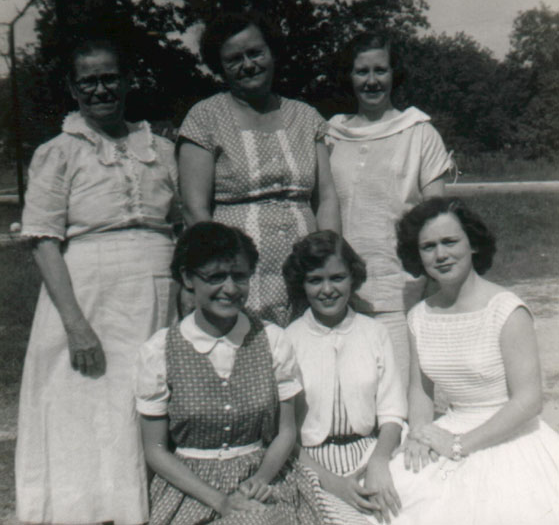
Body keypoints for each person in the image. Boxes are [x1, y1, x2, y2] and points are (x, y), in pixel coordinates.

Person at [16, 36, 180, 524]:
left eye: (110, 78)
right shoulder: (57, 153)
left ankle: (152, 511)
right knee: (88, 407)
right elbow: (43, 241)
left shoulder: (162, 149)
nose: (101, 89)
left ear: (127, 82)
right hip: (88, 297)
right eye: (88, 82)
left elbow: (182, 224)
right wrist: (75, 324)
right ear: (73, 88)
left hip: (158, 293)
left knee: (147, 399)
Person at [134, 222, 324, 525]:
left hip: (262, 481)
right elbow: (155, 449)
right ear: (188, 278)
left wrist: (260, 480)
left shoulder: (271, 340)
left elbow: (286, 431)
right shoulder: (160, 351)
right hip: (190, 489)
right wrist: (221, 501)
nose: (231, 288)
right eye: (215, 277)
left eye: (239, 276)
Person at [386, 196, 559, 525]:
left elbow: (529, 401)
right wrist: (419, 433)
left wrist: (460, 445)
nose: (440, 255)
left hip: (510, 436)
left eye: (450, 242)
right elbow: (420, 390)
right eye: (428, 247)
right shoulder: (419, 316)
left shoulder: (506, 310)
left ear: (473, 245)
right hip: (449, 428)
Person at [177, 11, 341, 326]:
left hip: (306, 270)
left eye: (255, 52)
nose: (248, 64)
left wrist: (330, 264)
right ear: (219, 66)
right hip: (238, 274)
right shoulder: (204, 118)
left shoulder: (306, 117)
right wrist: (221, 274)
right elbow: (194, 210)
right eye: (234, 59)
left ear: (272, 52)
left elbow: (327, 199)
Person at [326, 31, 454, 385]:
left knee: (399, 392)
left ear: (394, 74)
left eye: (380, 70)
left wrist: (430, 279)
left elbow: (437, 218)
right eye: (361, 71)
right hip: (337, 291)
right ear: (349, 76)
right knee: (347, 392)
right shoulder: (331, 135)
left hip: (399, 290)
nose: (372, 81)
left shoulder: (419, 133)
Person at [282, 231, 407, 524]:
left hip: (370, 453)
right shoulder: (288, 340)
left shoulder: (374, 332)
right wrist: (332, 483)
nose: (327, 289)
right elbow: (284, 433)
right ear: (302, 284)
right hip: (309, 463)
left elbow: (392, 413)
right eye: (315, 280)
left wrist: (379, 462)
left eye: (337, 278)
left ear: (353, 277)